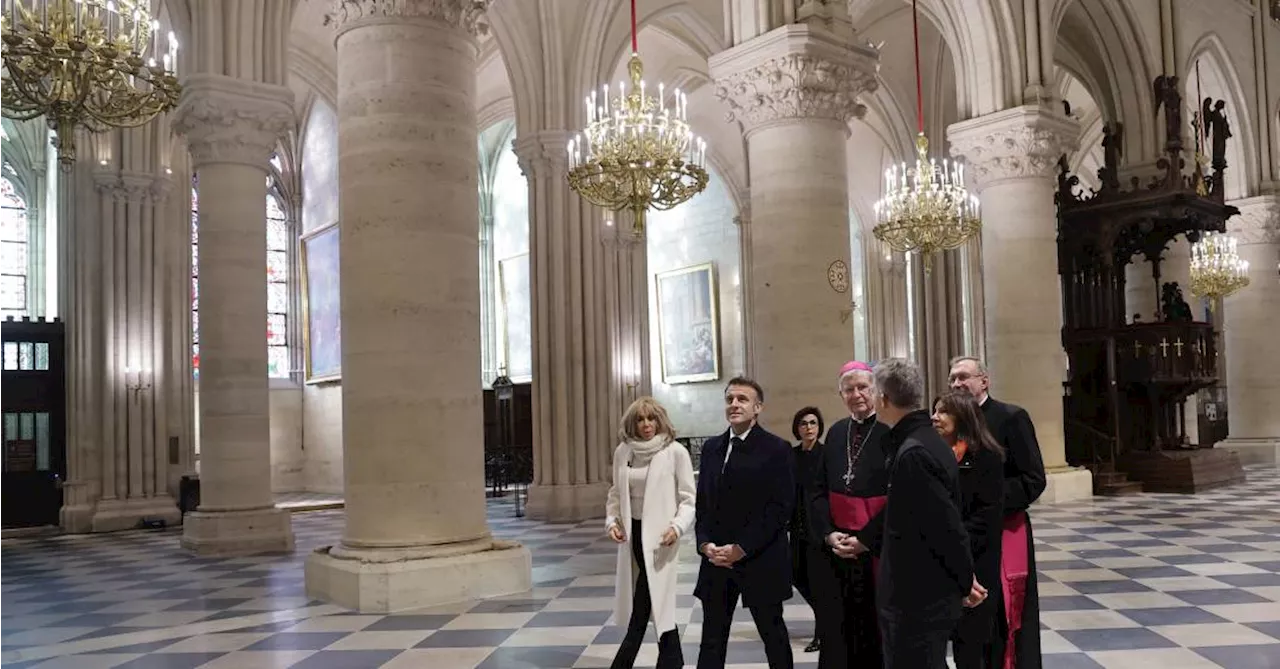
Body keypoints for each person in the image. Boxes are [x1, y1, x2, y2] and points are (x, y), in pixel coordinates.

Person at [872, 358, 984, 669]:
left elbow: (945, 527)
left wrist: (965, 581)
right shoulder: (924, 440)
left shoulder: (915, 452)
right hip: (922, 592)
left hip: (917, 596)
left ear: (883, 398)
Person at [949, 356, 1046, 669]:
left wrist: (987, 502)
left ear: (984, 381)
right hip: (965, 533)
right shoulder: (952, 425)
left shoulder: (1011, 417)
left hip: (1005, 532)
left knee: (1005, 616)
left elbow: (1033, 479)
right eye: (952, 379)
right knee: (969, 617)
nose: (957, 384)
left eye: (964, 377)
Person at [694, 377, 795, 669]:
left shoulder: (777, 449)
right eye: (730, 399)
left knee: (773, 636)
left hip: (759, 558)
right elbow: (703, 505)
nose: (735, 404)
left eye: (742, 399)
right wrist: (705, 545)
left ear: (757, 407)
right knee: (711, 639)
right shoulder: (712, 448)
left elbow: (780, 509)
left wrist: (741, 548)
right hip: (716, 561)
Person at [808, 361, 891, 668]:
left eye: (863, 387)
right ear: (840, 394)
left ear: (875, 390)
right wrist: (829, 533)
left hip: (874, 550)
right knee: (836, 628)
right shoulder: (836, 432)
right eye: (849, 389)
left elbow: (898, 499)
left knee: (873, 628)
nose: (856, 394)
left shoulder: (889, 433)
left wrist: (867, 539)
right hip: (837, 549)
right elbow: (817, 491)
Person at [605, 397, 697, 669]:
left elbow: (689, 499)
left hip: (661, 539)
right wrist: (612, 522)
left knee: (645, 602)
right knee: (657, 600)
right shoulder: (624, 452)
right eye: (640, 419)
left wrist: (677, 527)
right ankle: (673, 661)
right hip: (633, 536)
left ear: (660, 419)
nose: (646, 425)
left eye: (651, 418)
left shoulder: (675, 451)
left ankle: (622, 663)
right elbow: (615, 493)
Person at [932, 391, 1006, 669]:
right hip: (941, 560)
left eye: (943, 412)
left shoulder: (986, 456)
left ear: (962, 416)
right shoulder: (933, 453)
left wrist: (953, 538)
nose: (934, 417)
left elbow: (988, 515)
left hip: (976, 559)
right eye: (935, 410)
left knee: (970, 644)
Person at [789, 406, 826, 654]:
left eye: (813, 423)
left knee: (818, 582)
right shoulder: (791, 456)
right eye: (803, 423)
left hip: (819, 529)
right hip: (796, 527)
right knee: (797, 576)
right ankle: (826, 619)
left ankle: (822, 632)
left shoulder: (825, 454)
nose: (809, 427)